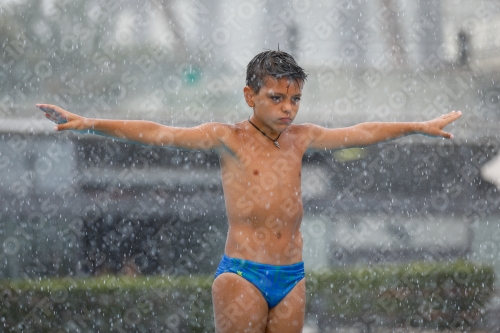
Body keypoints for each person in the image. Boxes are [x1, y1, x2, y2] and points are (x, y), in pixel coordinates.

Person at [37, 50, 462, 333]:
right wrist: (90, 122)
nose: (288, 109)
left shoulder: (302, 137)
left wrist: (416, 127)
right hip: (243, 274)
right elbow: (158, 131)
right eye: (277, 98)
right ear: (249, 96)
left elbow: (360, 131)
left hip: (292, 275)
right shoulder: (228, 138)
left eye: (294, 99)